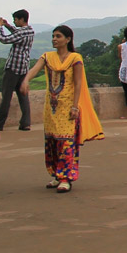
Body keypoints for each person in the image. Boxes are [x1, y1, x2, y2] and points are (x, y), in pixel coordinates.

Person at [21, 26, 103, 192]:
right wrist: (25, 81)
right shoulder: (47, 57)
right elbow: (35, 69)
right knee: (51, 142)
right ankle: (56, 176)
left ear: (68, 39)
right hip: (51, 108)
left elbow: (78, 83)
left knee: (65, 142)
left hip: (67, 107)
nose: (54, 39)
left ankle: (66, 177)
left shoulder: (75, 58)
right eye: (53, 36)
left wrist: (75, 106)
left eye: (58, 36)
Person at [0, 10, 35, 131]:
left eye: (16, 19)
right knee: (23, 97)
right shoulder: (30, 30)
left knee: (6, 97)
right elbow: (17, 32)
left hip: (13, 68)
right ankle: (25, 123)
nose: (14, 21)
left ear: (22, 19)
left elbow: (4, 39)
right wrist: (7, 25)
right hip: (23, 68)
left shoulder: (21, 33)